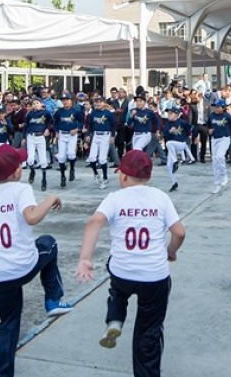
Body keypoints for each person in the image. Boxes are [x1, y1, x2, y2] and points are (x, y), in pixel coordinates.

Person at [75, 150, 186, 377]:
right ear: (149, 175)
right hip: (154, 276)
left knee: (117, 288)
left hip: (123, 272)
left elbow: (94, 222)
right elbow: (179, 232)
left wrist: (85, 259)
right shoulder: (161, 198)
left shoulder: (115, 198)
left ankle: (115, 318)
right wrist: (170, 251)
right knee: (150, 331)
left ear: (123, 176)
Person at [0, 145, 74, 377]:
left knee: (8, 322)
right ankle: (53, 299)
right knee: (49, 243)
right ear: (16, 172)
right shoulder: (21, 190)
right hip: (22, 266)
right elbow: (31, 217)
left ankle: (4, 373)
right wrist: (50, 199)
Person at [206, 99, 231, 195]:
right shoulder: (212, 115)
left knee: (220, 156)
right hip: (214, 139)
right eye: (215, 106)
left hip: (224, 138)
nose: (216, 108)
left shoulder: (227, 116)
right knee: (215, 161)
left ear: (223, 108)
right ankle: (217, 183)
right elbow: (208, 125)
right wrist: (209, 130)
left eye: (218, 106)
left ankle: (224, 175)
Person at [53, 93, 85, 186]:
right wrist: (56, 131)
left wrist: (76, 129)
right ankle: (62, 176)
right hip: (62, 134)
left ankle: (72, 169)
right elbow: (55, 122)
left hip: (72, 135)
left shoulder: (75, 111)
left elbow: (81, 122)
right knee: (61, 157)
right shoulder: (59, 112)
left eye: (67, 99)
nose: (65, 101)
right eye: (63, 100)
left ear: (71, 101)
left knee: (71, 153)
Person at [86, 96, 117, 189]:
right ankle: (95, 173)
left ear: (104, 103)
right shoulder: (93, 113)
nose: (98, 104)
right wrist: (88, 134)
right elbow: (90, 125)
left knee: (102, 159)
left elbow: (113, 125)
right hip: (96, 135)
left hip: (105, 135)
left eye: (100, 102)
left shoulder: (108, 113)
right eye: (96, 102)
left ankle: (105, 178)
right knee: (91, 157)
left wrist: (112, 136)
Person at [160, 107, 193, 193]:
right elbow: (165, 134)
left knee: (168, 143)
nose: (169, 115)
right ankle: (174, 183)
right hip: (172, 147)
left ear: (176, 114)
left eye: (171, 113)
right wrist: (169, 132)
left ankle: (175, 161)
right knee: (168, 166)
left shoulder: (181, 122)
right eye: (168, 113)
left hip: (180, 144)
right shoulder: (167, 124)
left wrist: (192, 136)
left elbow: (191, 128)